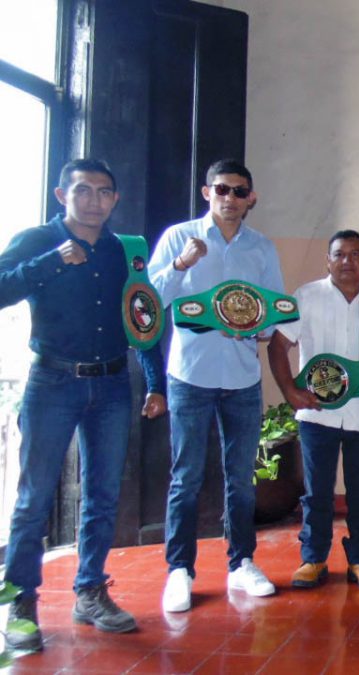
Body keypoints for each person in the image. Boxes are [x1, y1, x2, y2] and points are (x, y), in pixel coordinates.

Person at [0, 159, 166, 649]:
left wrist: (154, 382)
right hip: (52, 381)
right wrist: (53, 261)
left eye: (104, 192)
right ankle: (22, 602)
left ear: (115, 199)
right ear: (62, 195)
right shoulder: (36, 241)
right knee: (33, 500)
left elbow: (144, 316)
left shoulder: (124, 251)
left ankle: (89, 590)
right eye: (83, 190)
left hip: (114, 385)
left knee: (103, 495)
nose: (94, 200)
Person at [149, 159, 285, 612]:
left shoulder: (262, 249)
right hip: (190, 373)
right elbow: (149, 302)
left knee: (241, 480)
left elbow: (273, 314)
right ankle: (179, 570)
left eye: (239, 191)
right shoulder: (178, 237)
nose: (230, 198)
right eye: (222, 189)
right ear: (207, 192)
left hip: (243, 376)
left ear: (251, 198)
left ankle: (241, 562)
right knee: (185, 477)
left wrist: (258, 329)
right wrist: (181, 264)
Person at [268, 230, 359, 590]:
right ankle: (313, 558)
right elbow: (278, 345)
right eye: (339, 254)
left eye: (355, 255)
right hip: (317, 413)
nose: (347, 261)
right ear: (328, 260)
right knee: (317, 490)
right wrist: (290, 390)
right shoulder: (305, 296)